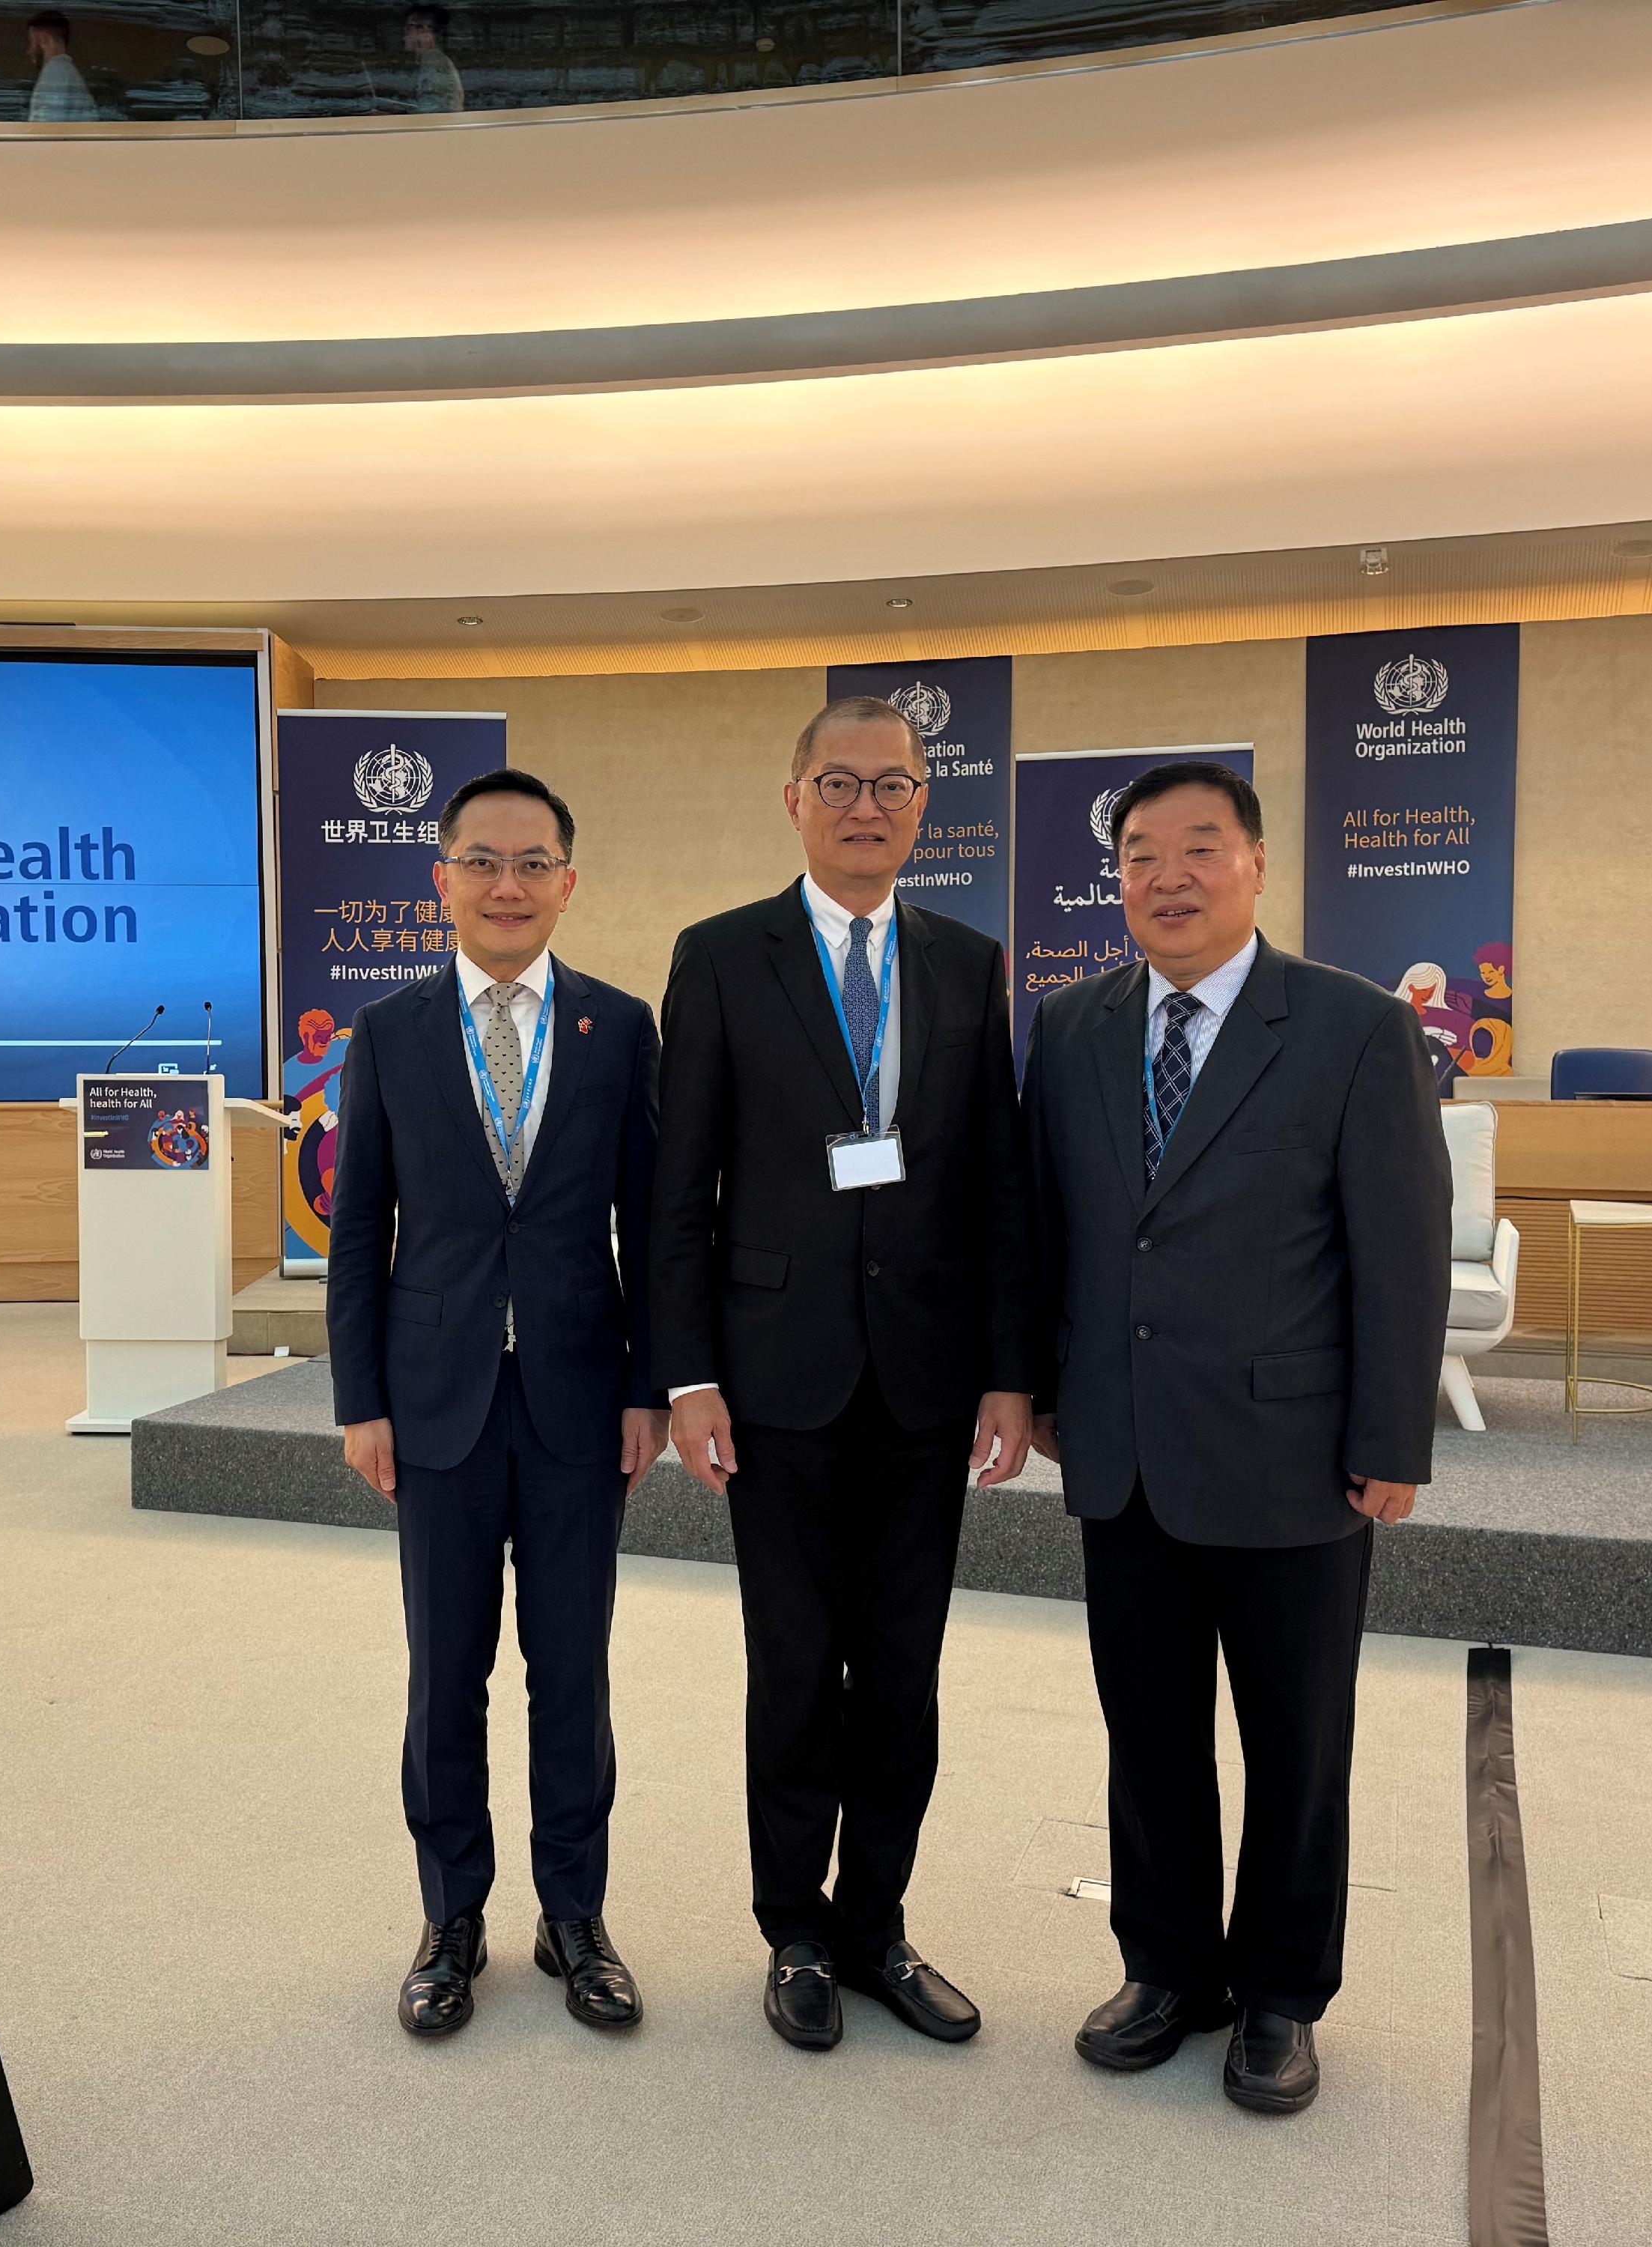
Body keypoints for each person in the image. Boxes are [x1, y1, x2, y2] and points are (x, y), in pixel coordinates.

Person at [1021, 759, 1449, 2116]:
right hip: (1125, 1450)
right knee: (1146, 1734)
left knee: (1296, 1742)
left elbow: (1403, 1247)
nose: (1169, 877)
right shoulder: (1072, 1025)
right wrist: (1036, 1386)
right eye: (1142, 854)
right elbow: (1054, 1231)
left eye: (1200, 848)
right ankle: (1167, 1971)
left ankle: (1278, 1997)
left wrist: (1394, 1437)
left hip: (1296, 1456)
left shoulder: (1350, 1028)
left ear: (1258, 864)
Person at [651, 695, 1037, 2052]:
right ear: (796, 797)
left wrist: (1010, 1372)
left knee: (906, 1672)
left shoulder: (967, 962)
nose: (867, 805)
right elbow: (676, 1187)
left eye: (894, 784)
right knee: (795, 1668)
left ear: (926, 803)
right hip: (773, 1381)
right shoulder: (718, 958)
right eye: (840, 781)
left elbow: (996, 1181)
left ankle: (876, 1924)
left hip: (928, 1385)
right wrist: (687, 1371)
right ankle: (795, 1932)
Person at [327, 768, 668, 2042]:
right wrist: (363, 1397)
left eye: (533, 863)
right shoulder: (392, 1033)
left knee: (570, 1674)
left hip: (583, 1406)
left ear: (568, 884)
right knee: (445, 1677)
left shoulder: (620, 1027)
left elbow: (654, 1226)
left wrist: (649, 1384)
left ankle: (574, 1915)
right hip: (436, 1407)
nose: (508, 884)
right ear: (444, 883)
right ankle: (451, 1918)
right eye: (483, 861)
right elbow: (360, 1230)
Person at [24, 11, 97, 121]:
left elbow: (48, 130)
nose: (29, 51)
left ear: (43, 38)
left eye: (32, 42)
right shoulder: (67, 72)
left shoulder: (54, 73)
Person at [404, 7, 464, 112]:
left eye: (409, 28)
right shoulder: (429, 60)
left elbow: (432, 112)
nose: (405, 33)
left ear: (426, 32)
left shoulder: (434, 62)